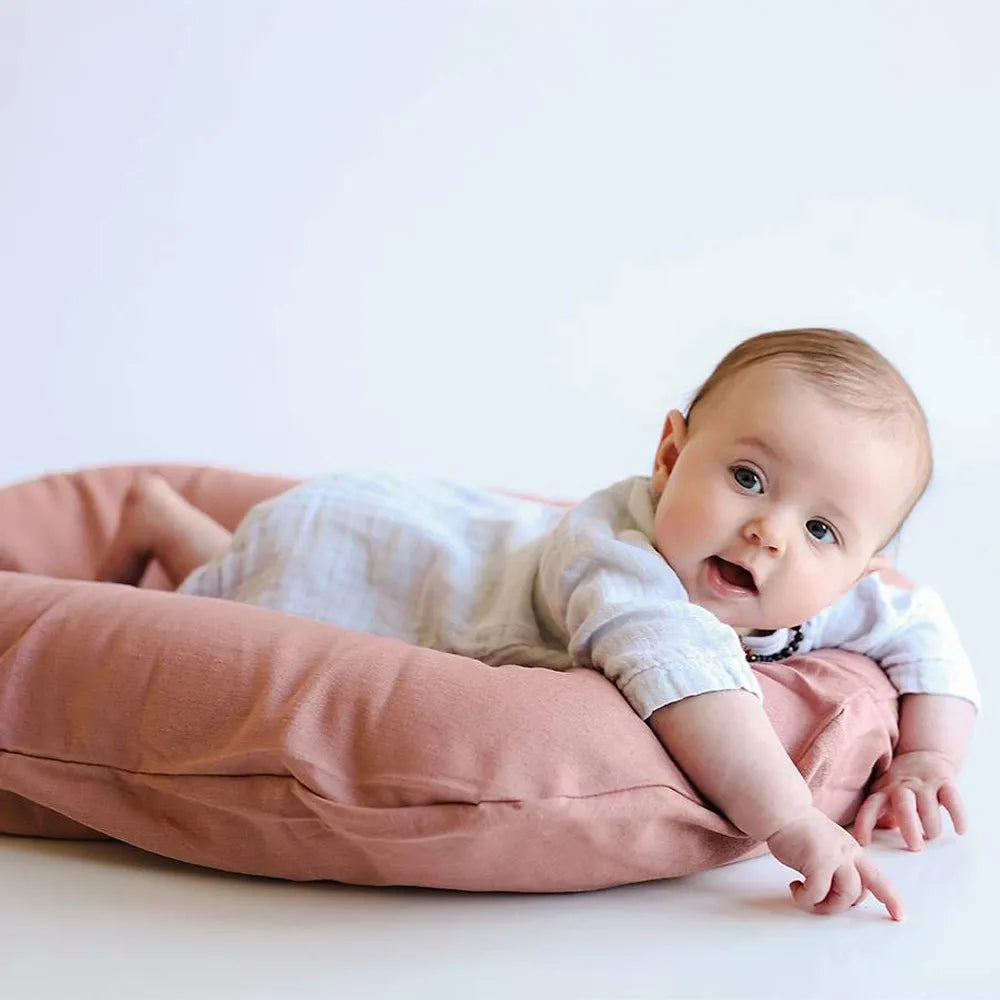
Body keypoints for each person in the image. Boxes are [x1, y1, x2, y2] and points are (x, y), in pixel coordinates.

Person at [97, 328, 979, 921]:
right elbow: (694, 685)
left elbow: (925, 630)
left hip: (446, 534)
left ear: (861, 570)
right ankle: (163, 538)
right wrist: (794, 824)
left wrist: (929, 755)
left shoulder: (835, 588)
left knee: (227, 565)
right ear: (670, 456)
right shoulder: (620, 565)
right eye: (748, 477)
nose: (771, 531)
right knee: (222, 613)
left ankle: (168, 521)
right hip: (371, 563)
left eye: (821, 529)